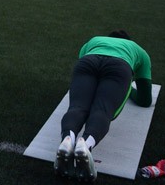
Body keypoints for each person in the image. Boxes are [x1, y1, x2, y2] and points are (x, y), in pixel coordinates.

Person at [54, 30, 152, 182]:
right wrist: (129, 90)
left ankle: (67, 138)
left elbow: (87, 78)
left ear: (107, 39)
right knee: (103, 110)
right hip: (119, 66)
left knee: (77, 106)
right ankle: (85, 144)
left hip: (88, 61)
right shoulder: (138, 50)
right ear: (127, 41)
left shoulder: (93, 41)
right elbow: (145, 100)